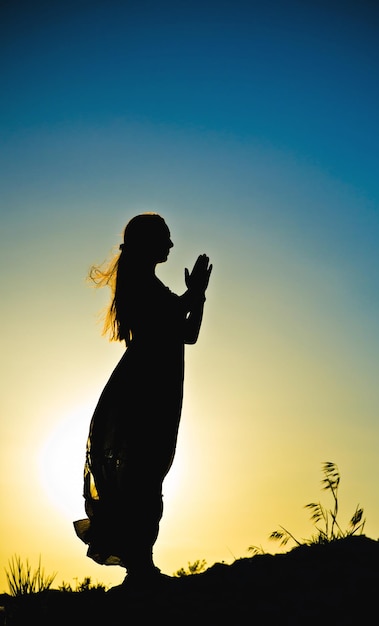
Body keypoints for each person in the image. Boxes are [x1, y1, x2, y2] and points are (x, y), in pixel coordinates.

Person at [74, 212, 212, 589]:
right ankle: (140, 569)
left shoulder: (153, 284)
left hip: (161, 386)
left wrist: (197, 295)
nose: (170, 246)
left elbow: (188, 334)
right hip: (143, 387)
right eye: (164, 239)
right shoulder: (137, 283)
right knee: (141, 474)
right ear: (148, 243)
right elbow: (162, 319)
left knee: (149, 473)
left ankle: (142, 566)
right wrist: (191, 292)